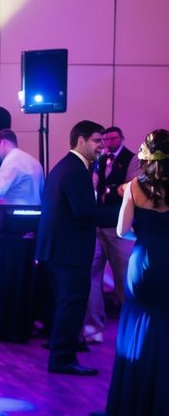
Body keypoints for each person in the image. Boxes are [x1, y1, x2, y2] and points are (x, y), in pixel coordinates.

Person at [92, 130, 169, 416]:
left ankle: (134, 406)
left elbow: (123, 231)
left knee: (138, 326)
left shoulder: (136, 186)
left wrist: (148, 238)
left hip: (144, 262)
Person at [35, 120, 117, 376]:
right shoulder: (76, 170)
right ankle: (62, 359)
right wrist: (125, 213)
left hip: (58, 249)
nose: (101, 147)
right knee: (72, 304)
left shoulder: (65, 166)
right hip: (68, 252)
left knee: (67, 304)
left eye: (102, 141)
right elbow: (83, 212)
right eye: (97, 141)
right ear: (80, 140)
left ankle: (63, 355)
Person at [83, 125, 139, 343]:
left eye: (113, 138)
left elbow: (132, 188)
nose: (108, 142)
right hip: (97, 226)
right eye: (105, 139)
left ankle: (132, 326)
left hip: (120, 228)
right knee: (91, 275)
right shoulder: (99, 160)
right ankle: (93, 328)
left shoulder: (131, 159)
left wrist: (113, 190)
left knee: (124, 278)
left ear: (121, 138)